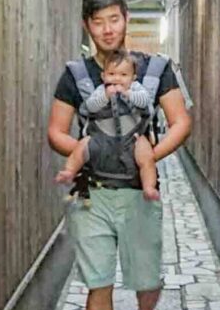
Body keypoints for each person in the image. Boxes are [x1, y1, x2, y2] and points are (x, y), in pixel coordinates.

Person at [48, 0, 192, 310]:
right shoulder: (76, 76)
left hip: (138, 193)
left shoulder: (155, 70)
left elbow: (181, 121)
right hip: (93, 194)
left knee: (148, 279)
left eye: (114, 19)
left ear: (125, 19)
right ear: (87, 27)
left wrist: (148, 152)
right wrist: (89, 150)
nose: (108, 28)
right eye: (98, 22)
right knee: (99, 283)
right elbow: (56, 130)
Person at [54, 48, 160, 201]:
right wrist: (105, 96)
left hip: (132, 138)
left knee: (146, 156)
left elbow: (145, 102)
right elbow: (90, 107)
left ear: (133, 77)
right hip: (101, 137)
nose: (117, 79)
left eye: (123, 75)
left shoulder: (136, 88)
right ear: (103, 76)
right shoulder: (100, 91)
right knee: (82, 146)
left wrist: (128, 94)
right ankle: (69, 171)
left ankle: (149, 186)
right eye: (111, 74)